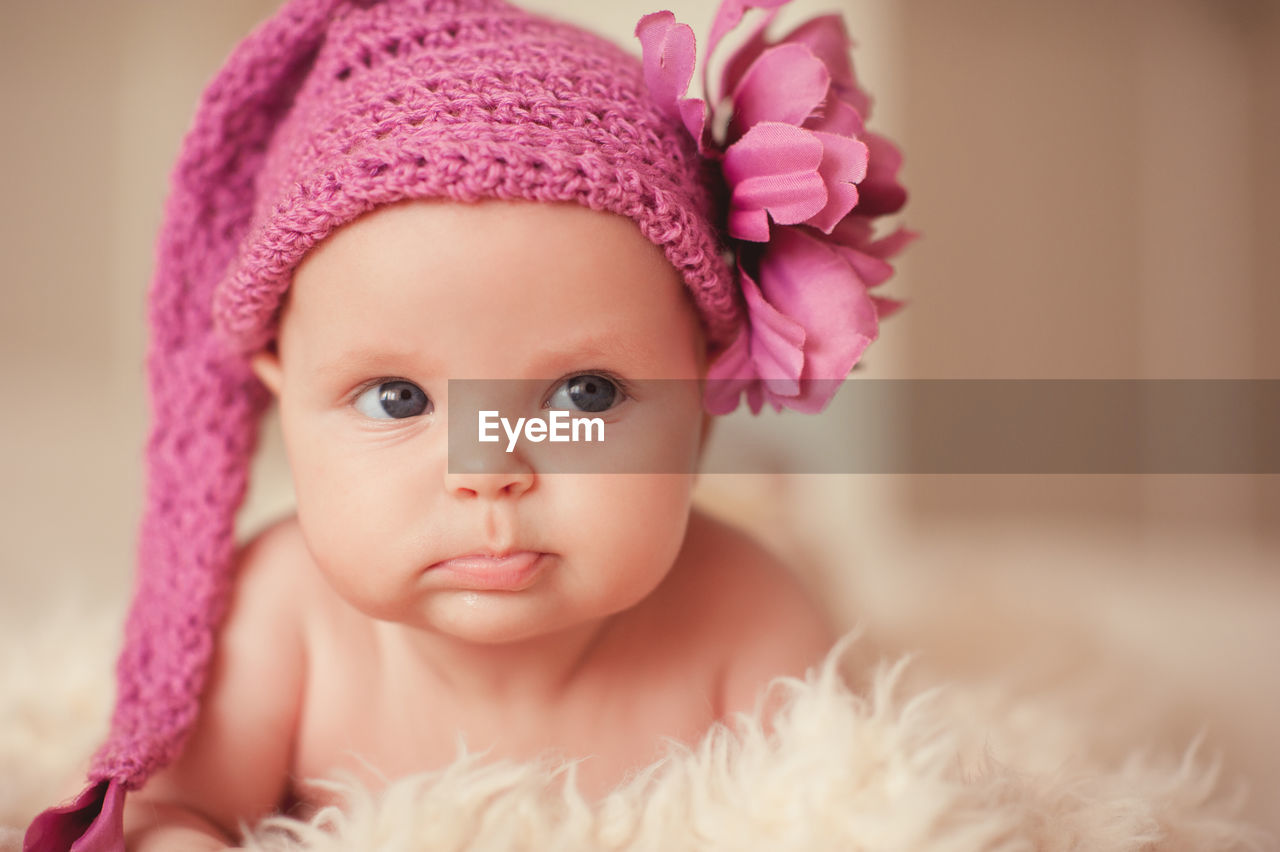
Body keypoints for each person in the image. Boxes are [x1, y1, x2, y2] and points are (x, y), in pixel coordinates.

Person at [24, 0, 908, 848]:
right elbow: (177, 817)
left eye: (586, 394)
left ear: (701, 404)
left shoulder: (748, 615)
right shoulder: (281, 616)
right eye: (396, 398)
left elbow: (846, 809)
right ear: (282, 400)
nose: (487, 468)